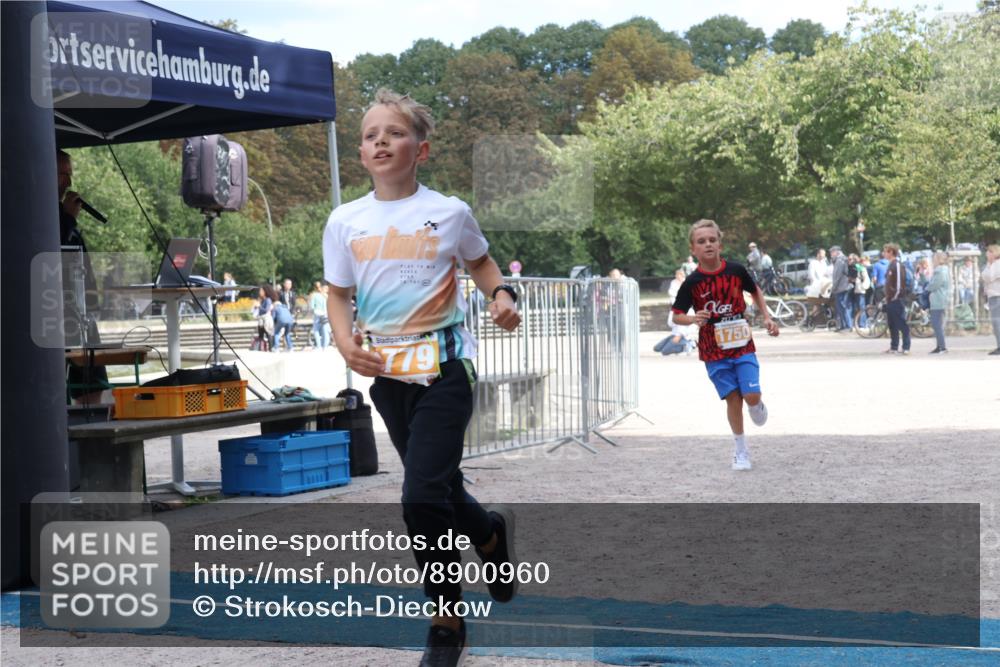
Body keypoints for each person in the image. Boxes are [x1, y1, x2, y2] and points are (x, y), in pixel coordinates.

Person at [322, 88, 522, 666]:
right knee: (438, 488)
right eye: (369, 135)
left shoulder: (450, 211)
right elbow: (338, 294)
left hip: (446, 371)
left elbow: (481, 261)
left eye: (394, 132)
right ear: (360, 153)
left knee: (418, 496)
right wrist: (343, 343)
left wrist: (501, 296)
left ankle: (445, 618)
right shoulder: (345, 220)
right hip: (386, 378)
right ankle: (489, 536)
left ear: (422, 149)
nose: (380, 140)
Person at [671, 219, 779, 472]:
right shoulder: (692, 282)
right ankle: (740, 451)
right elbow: (677, 314)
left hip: (741, 344)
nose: (707, 244)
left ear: (719, 243)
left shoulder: (735, 270)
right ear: (693, 248)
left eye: (711, 240)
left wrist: (767, 316)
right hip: (713, 350)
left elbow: (755, 291)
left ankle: (756, 403)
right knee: (732, 399)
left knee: (751, 395)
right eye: (701, 241)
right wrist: (693, 318)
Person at [58, 149, 110, 402]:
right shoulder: (39, 214)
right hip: (54, 312)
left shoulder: (65, 217)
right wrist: (67, 217)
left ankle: (94, 432)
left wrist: (92, 302)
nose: (69, 182)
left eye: (70, 175)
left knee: (92, 382)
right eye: (63, 174)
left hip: (80, 314)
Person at [882, 243, 911, 355]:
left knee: (901, 324)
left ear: (891, 252)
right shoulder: (890, 265)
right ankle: (894, 347)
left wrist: (894, 297)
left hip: (896, 300)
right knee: (892, 324)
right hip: (890, 299)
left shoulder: (897, 265)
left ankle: (906, 347)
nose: (884, 253)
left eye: (886, 251)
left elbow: (899, 284)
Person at [927, 251, 951, 354]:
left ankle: (942, 347)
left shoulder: (939, 271)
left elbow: (934, 285)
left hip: (938, 300)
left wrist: (926, 288)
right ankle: (939, 345)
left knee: (937, 324)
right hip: (941, 299)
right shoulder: (944, 270)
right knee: (937, 324)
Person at [830, 246, 853, 331]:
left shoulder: (839, 261)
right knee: (841, 307)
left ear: (837, 252)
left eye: (832, 252)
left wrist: (833, 288)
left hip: (841, 287)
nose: (831, 254)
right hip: (843, 287)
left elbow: (837, 276)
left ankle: (848, 326)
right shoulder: (841, 260)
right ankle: (843, 325)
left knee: (843, 307)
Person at [983, 244, 1000, 355]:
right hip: (993, 295)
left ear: (993, 253)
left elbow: (988, 276)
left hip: (997, 295)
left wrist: (988, 268)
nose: (986, 254)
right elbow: (985, 276)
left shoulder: (996, 264)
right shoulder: (991, 264)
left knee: (997, 322)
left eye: (988, 252)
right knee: (996, 322)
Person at [269, 284, 295, 352]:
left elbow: (273, 317)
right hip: (290, 320)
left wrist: (274, 323)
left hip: (281, 321)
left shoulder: (276, 307)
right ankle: (291, 347)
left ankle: (276, 348)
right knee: (287, 333)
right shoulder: (284, 306)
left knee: (276, 333)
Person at [309, 281, 330, 350]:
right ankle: (325, 346)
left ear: (314, 287)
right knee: (325, 330)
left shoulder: (314, 295)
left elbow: (312, 307)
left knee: (316, 330)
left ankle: (319, 346)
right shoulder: (325, 295)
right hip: (325, 314)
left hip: (317, 314)